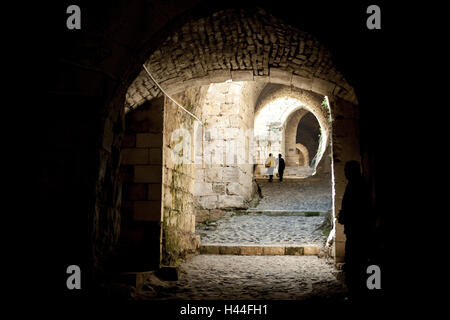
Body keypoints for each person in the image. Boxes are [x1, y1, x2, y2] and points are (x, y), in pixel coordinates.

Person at [338, 160, 370, 300]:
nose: (345, 173)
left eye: (347, 170)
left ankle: (355, 292)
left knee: (355, 259)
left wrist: (344, 216)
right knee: (354, 258)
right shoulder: (357, 184)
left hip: (357, 230)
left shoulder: (357, 185)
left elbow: (355, 207)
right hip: (353, 229)